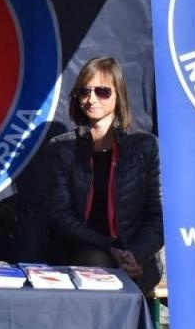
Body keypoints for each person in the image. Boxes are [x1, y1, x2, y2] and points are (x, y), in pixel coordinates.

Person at [43, 56, 163, 293]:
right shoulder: (61, 149)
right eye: (84, 91)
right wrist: (110, 247)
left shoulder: (145, 146)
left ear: (118, 95)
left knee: (109, 269)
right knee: (97, 263)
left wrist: (135, 255)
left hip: (138, 258)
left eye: (102, 91)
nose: (91, 99)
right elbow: (61, 216)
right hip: (81, 252)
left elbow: (158, 216)